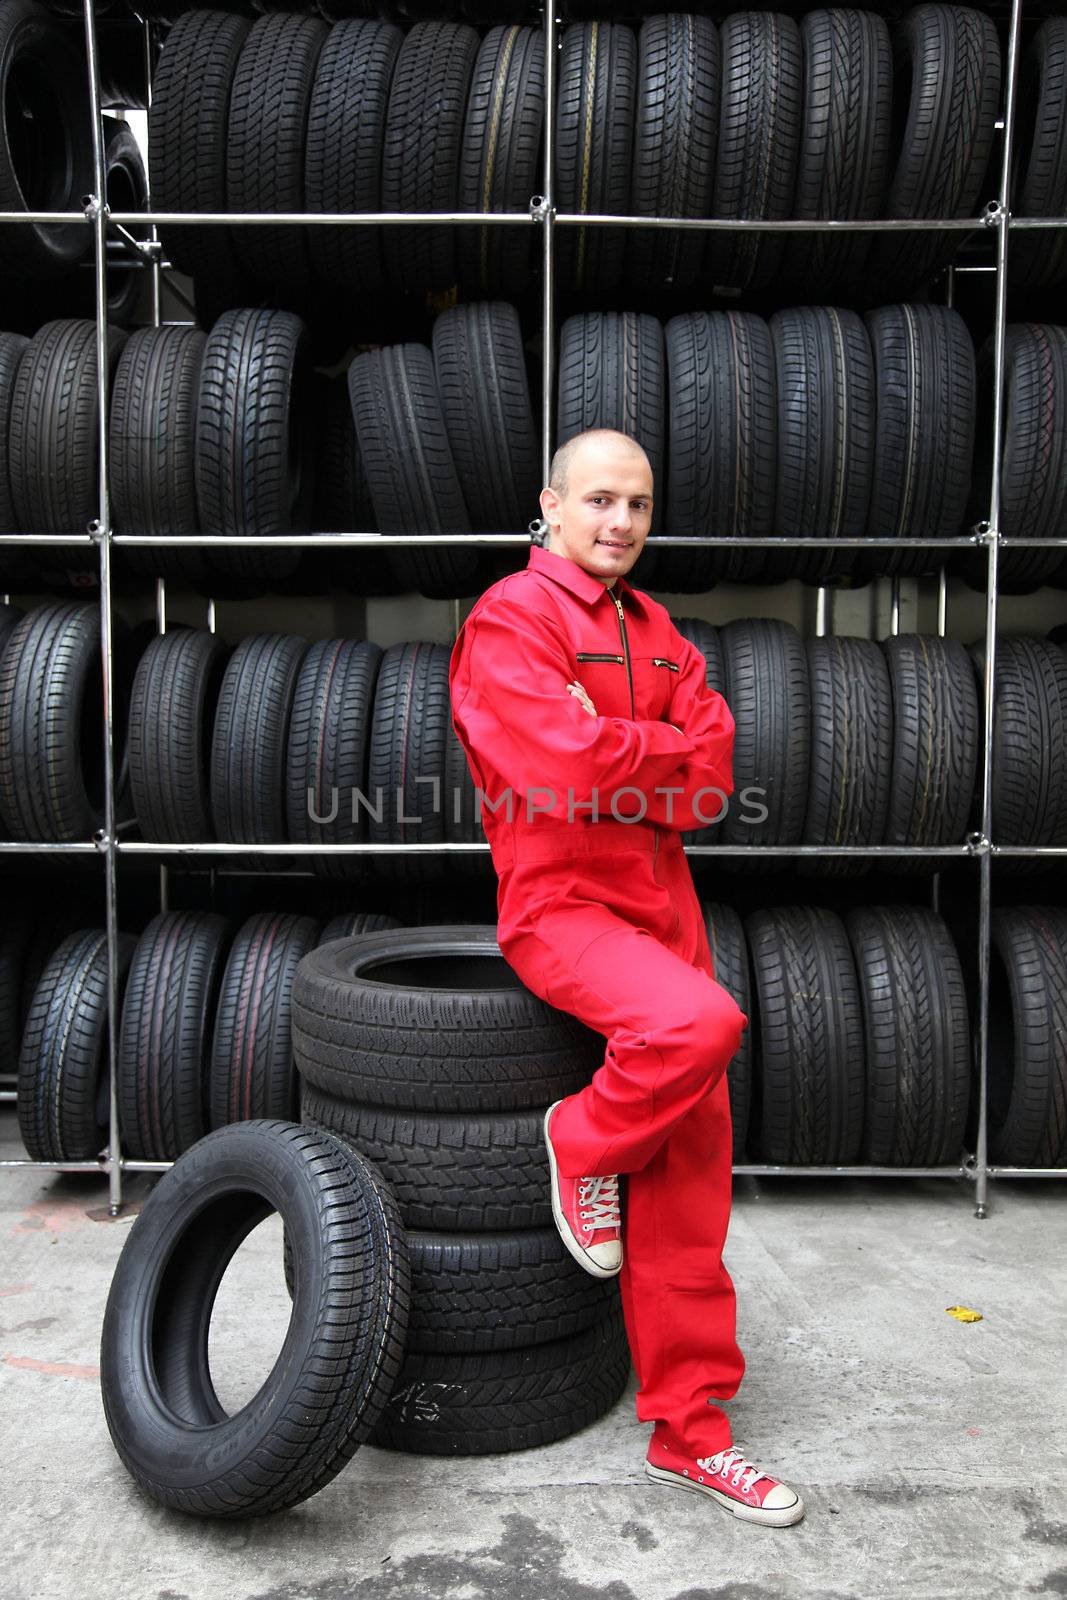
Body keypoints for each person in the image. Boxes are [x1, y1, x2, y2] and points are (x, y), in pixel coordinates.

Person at [448, 427, 805, 1528]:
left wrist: (621, 750)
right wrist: (645, 757)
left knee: (692, 1186)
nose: (619, 523)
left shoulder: (657, 633)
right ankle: (581, 1140)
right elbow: (550, 767)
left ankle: (689, 1435)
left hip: (665, 906)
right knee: (699, 1026)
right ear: (548, 506)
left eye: (638, 504)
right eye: (598, 499)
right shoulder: (511, 615)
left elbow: (712, 784)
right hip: (561, 904)